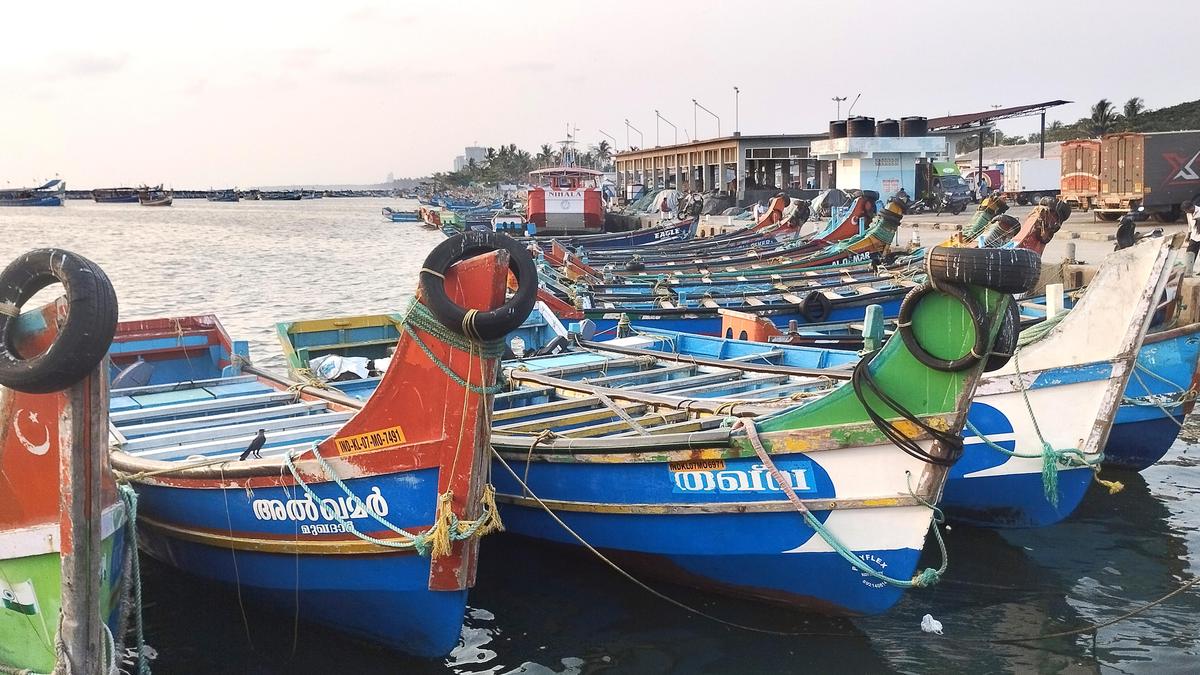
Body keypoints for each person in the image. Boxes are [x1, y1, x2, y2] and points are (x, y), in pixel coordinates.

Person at [1184, 201, 1200, 276]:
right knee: (1190, 252)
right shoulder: (1188, 214)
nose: (1186, 212)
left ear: (1191, 207)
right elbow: (1190, 225)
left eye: (1187, 210)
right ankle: (1188, 271)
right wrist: (1188, 235)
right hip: (1194, 236)